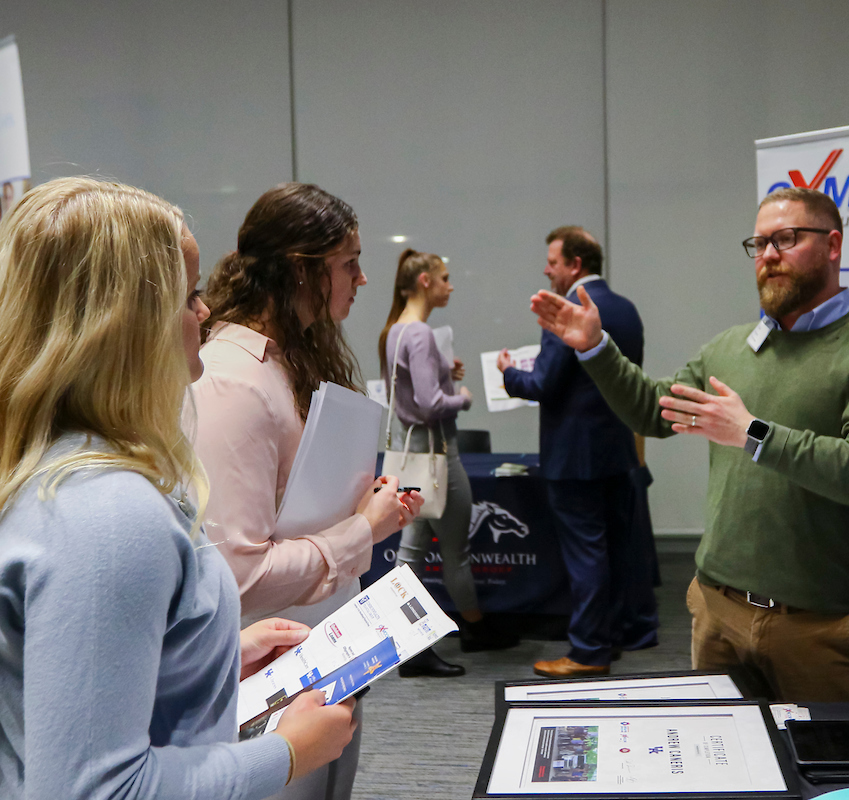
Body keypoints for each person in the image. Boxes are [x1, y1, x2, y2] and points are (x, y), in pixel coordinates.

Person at [0, 177, 356, 799]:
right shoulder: (106, 512)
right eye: (188, 296)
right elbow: (95, 790)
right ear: (125, 327)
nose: (206, 312)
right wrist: (288, 753)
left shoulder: (66, 473)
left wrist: (209, 657)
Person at [528, 188, 849, 702]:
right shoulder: (730, 347)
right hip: (718, 613)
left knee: (828, 775)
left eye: (786, 238)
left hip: (815, 625)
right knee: (727, 773)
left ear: (833, 246)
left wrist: (752, 433)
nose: (768, 255)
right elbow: (654, 410)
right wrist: (597, 350)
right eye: (759, 243)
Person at [192, 183, 422, 800]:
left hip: (321, 645)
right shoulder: (233, 381)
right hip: (269, 668)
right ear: (301, 268)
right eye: (348, 263)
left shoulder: (287, 361)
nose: (363, 278)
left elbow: (294, 514)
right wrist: (363, 530)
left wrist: (365, 507)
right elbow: (237, 575)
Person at [498, 226, 657, 678]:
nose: (547, 270)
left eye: (552, 262)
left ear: (575, 266)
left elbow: (543, 385)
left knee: (586, 555)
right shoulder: (626, 310)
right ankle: (622, 633)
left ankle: (589, 651)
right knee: (616, 550)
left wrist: (510, 373)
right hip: (618, 452)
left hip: (573, 458)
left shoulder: (568, 312)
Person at [378, 249, 519, 676]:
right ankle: (473, 629)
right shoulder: (420, 334)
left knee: (411, 551)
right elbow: (429, 403)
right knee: (454, 551)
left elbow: (410, 395)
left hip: (413, 450)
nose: (450, 285)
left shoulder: (394, 331)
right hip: (438, 451)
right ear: (424, 281)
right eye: (444, 278)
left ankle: (410, 644)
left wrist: (445, 373)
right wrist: (463, 397)